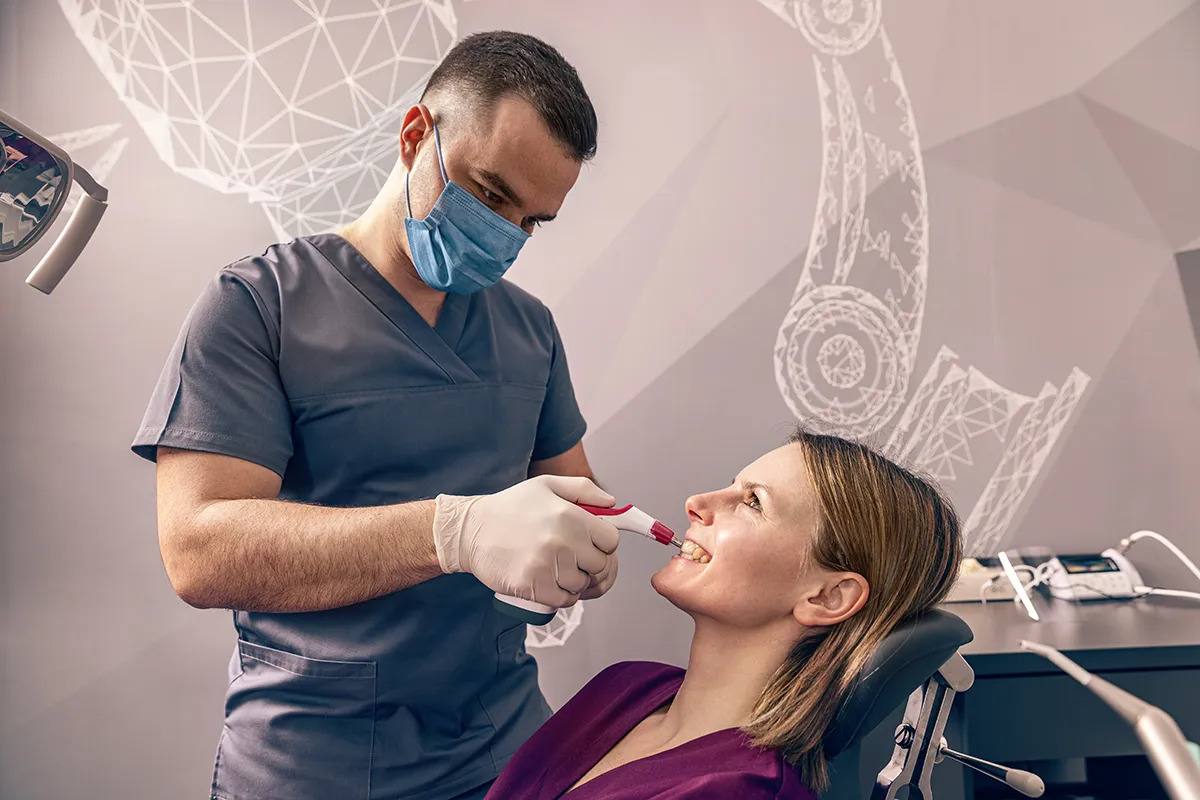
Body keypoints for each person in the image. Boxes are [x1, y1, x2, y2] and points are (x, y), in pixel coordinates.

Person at [131, 31, 621, 800]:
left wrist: (590, 545)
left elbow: (575, 494)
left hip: (502, 749)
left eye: (532, 221)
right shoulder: (259, 307)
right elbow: (199, 551)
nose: (506, 235)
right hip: (315, 759)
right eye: (490, 196)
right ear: (416, 135)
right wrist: (452, 532)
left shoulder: (528, 330)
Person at [484, 428, 964, 799]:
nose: (697, 503)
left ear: (828, 597)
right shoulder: (627, 686)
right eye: (734, 487)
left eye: (753, 502)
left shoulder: (739, 791)